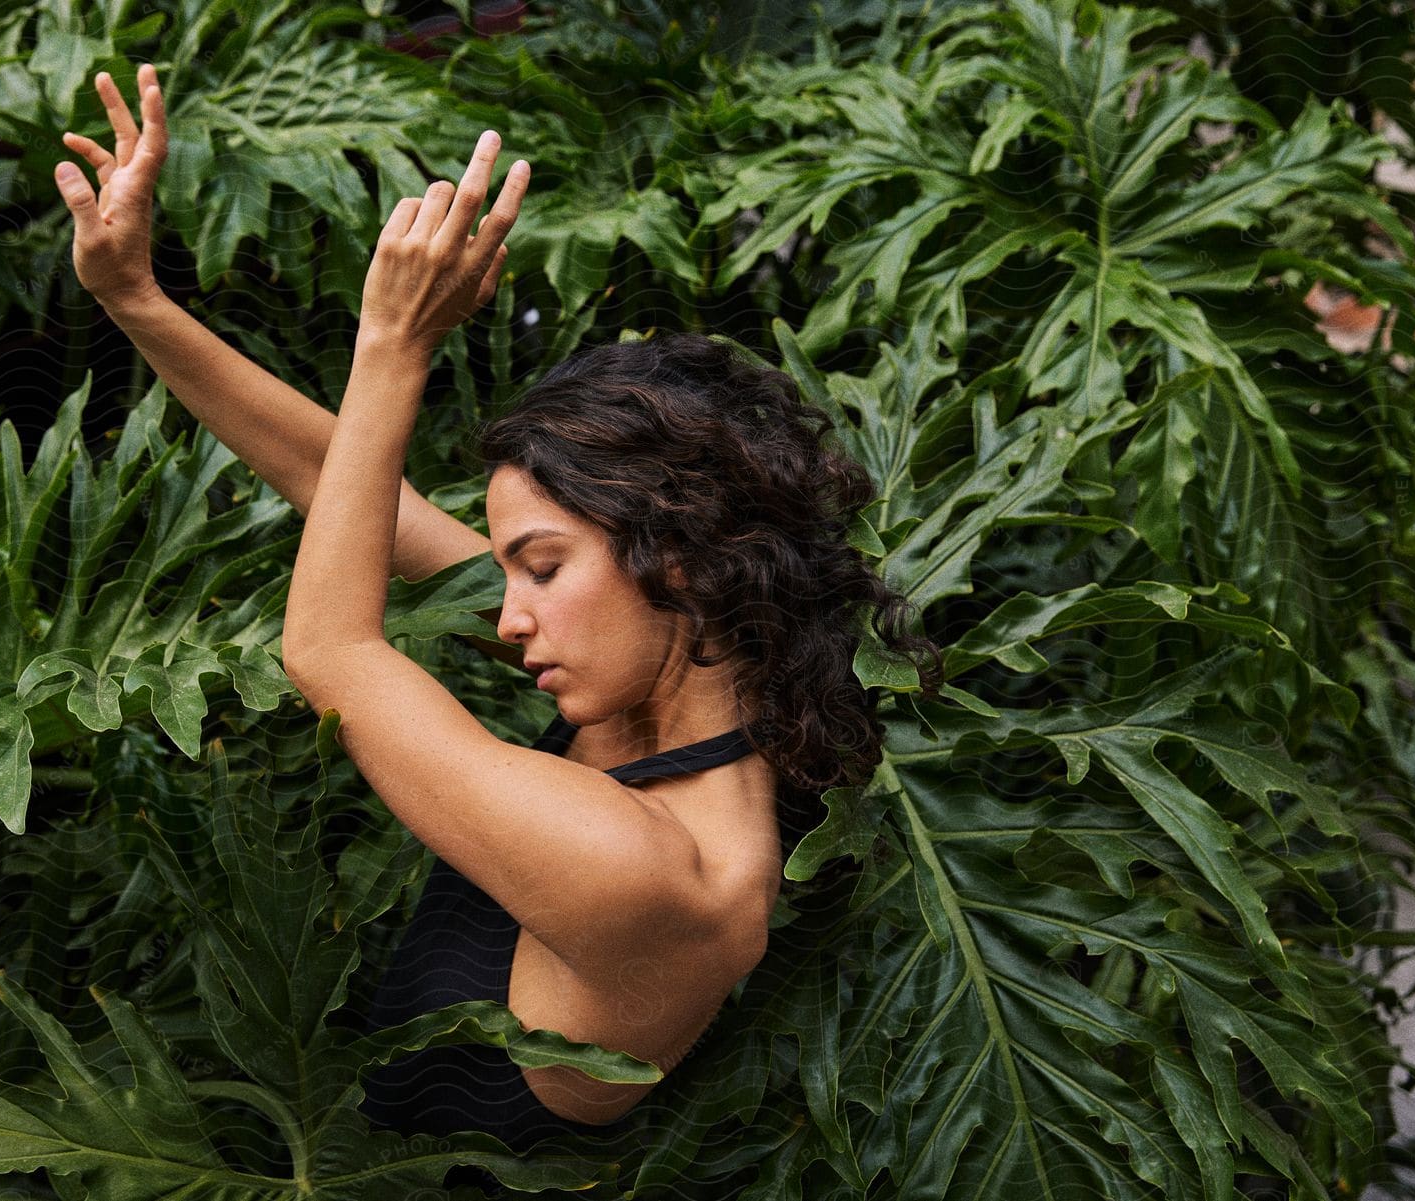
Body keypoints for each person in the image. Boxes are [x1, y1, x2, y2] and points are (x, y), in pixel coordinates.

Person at [55, 65, 941, 1162]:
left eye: (540, 567)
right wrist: (133, 297)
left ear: (680, 554)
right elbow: (350, 494)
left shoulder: (662, 875)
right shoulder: (708, 675)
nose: (505, 613)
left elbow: (331, 650)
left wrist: (395, 343)